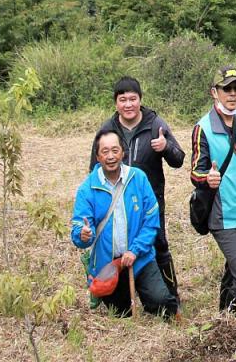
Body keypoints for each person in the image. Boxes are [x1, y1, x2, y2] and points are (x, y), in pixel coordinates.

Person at [90, 77, 185, 298]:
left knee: (159, 245)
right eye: (123, 100)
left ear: (140, 100)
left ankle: (171, 297)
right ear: (116, 103)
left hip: (150, 200)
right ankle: (121, 296)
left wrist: (165, 147)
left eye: (133, 99)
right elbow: (94, 169)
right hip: (116, 204)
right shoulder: (108, 129)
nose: (128, 104)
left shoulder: (155, 124)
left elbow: (179, 159)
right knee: (119, 248)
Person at [72, 130, 178, 318]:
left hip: (140, 258)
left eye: (115, 150)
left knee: (161, 302)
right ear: (97, 157)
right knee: (121, 313)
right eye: (105, 152)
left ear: (123, 152)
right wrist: (83, 235)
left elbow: (151, 220)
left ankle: (156, 302)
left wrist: (135, 250)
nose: (110, 156)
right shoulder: (87, 189)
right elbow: (79, 229)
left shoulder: (138, 178)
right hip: (109, 264)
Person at [190, 66, 236, 315]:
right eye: (226, 89)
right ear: (214, 92)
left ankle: (225, 313)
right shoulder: (203, 128)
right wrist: (207, 178)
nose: (232, 94)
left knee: (235, 269)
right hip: (224, 216)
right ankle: (230, 316)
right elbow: (195, 172)